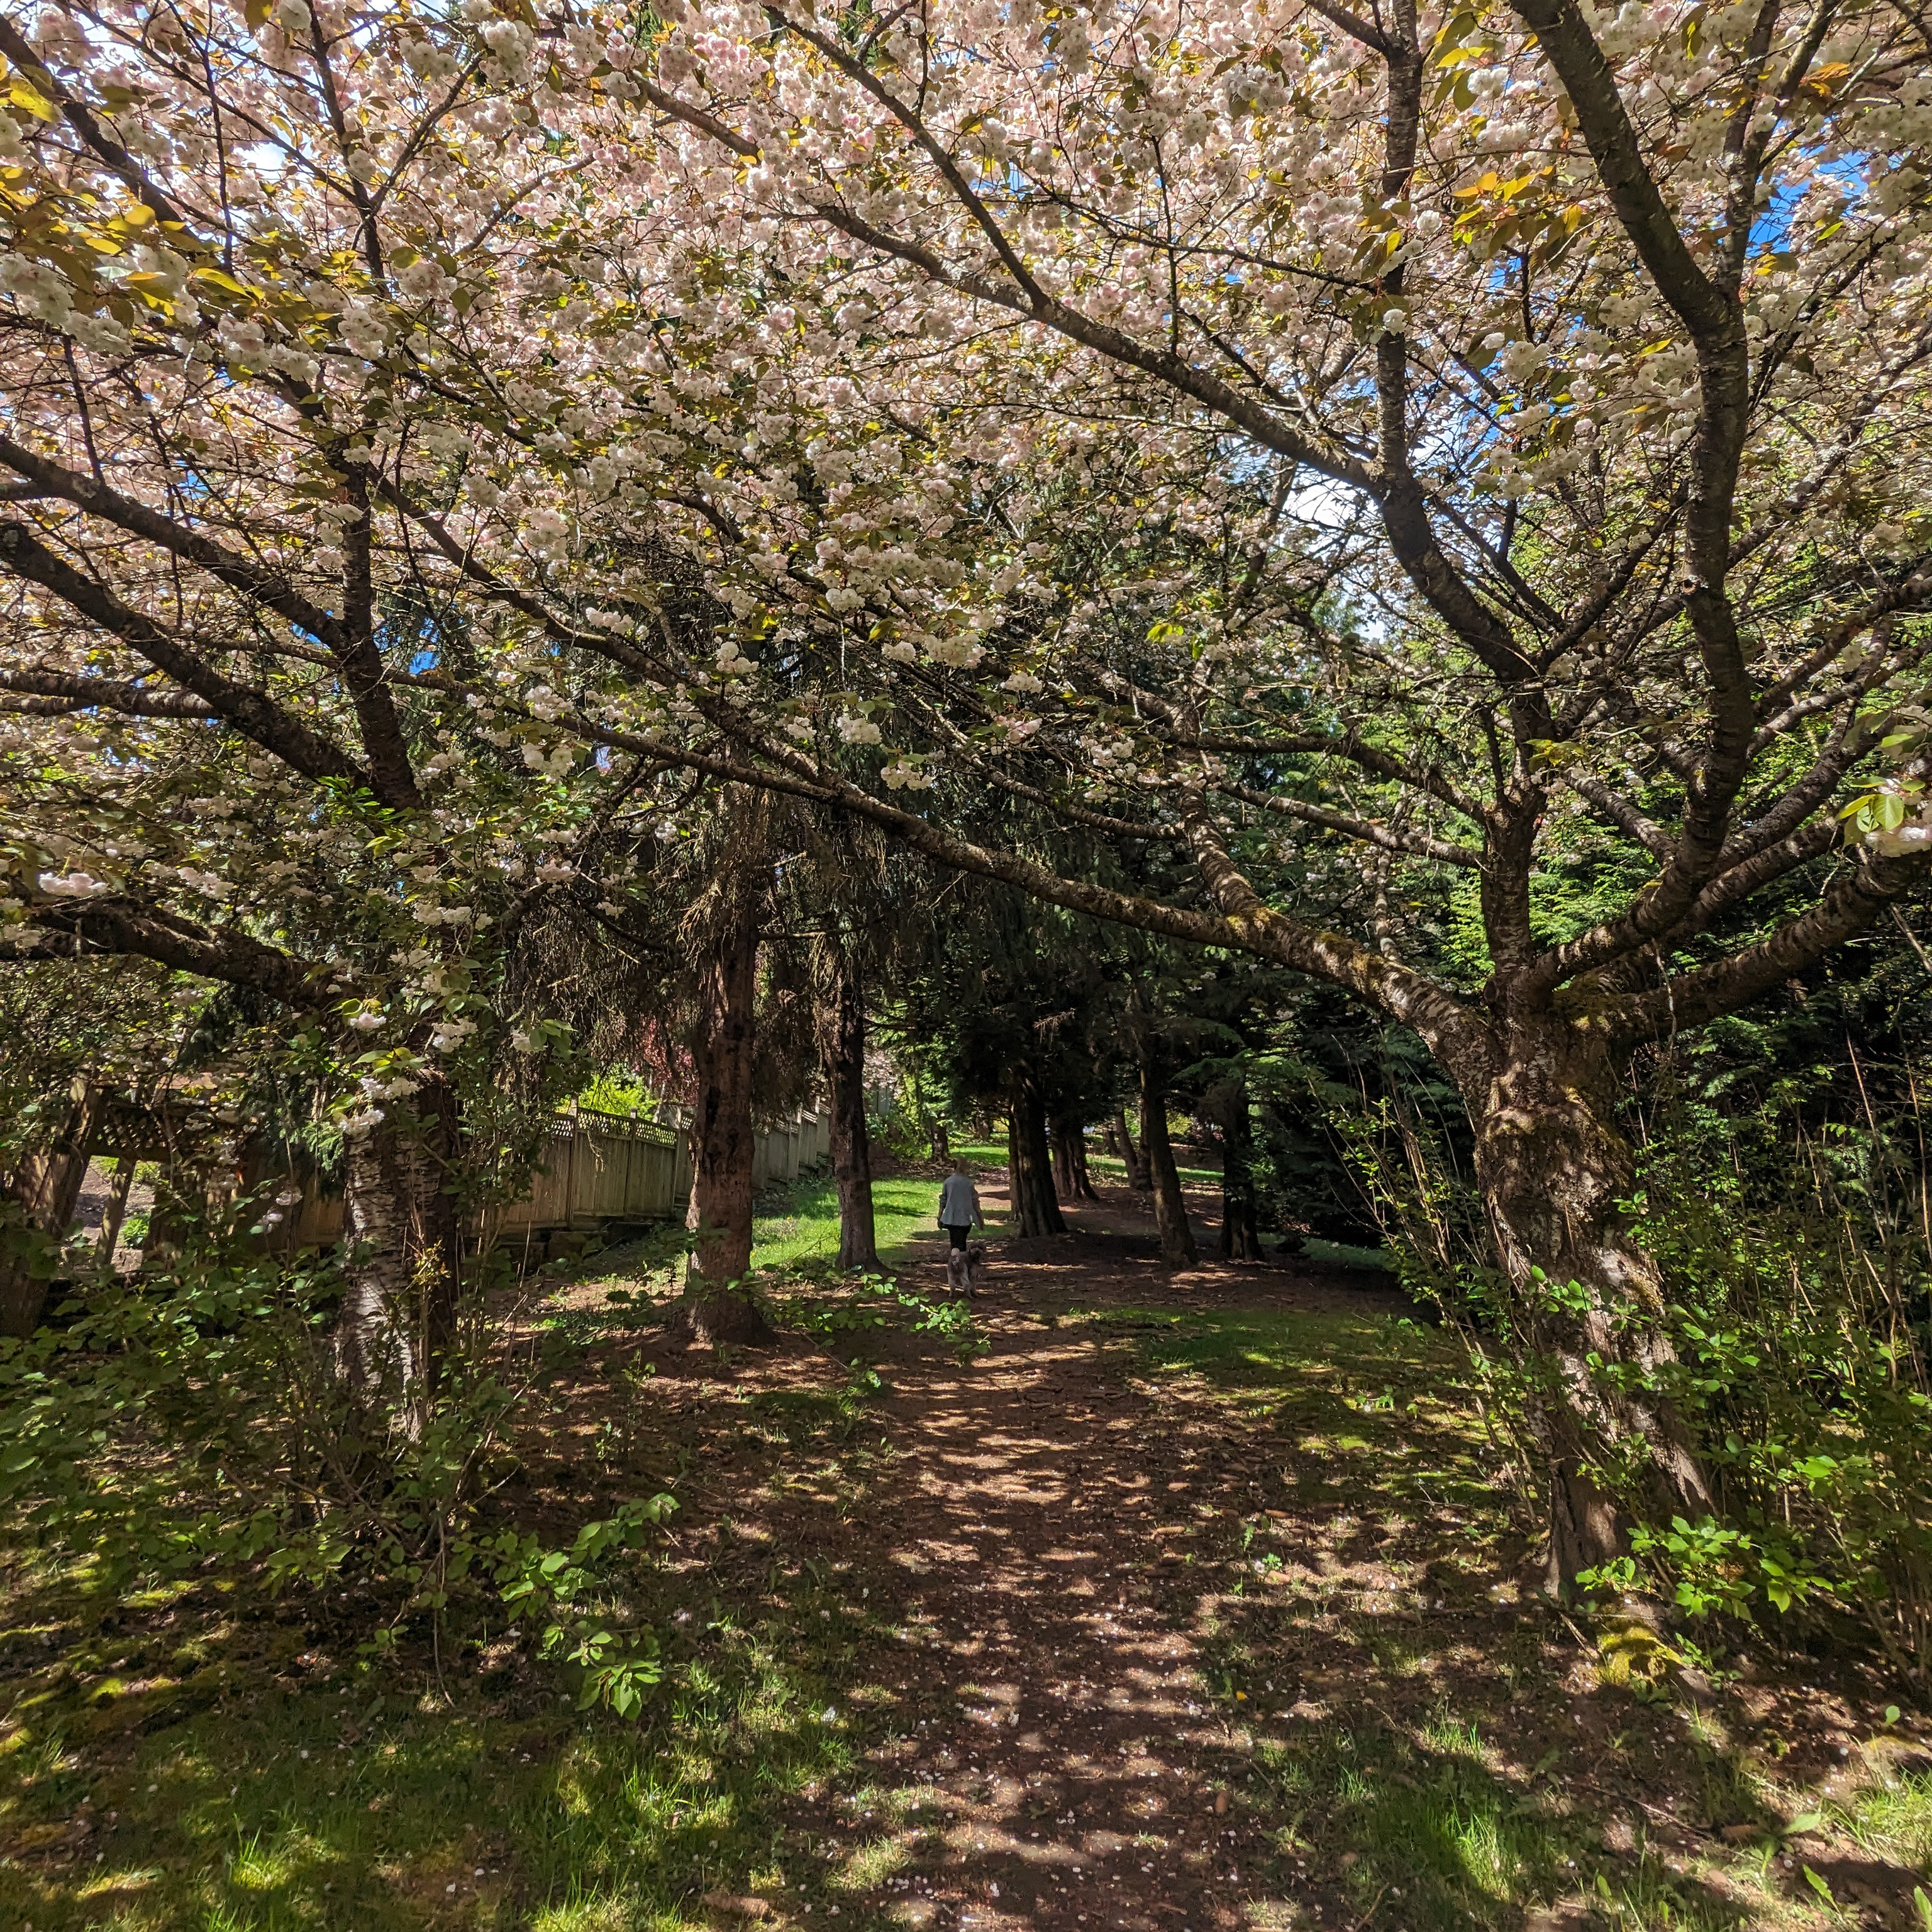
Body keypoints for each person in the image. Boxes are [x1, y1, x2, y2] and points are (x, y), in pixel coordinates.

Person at [937, 1157, 983, 1252]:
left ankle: (955, 1262)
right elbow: (975, 1202)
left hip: (951, 1218)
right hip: (964, 1219)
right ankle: (961, 1262)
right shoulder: (969, 1183)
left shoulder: (948, 1182)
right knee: (962, 1243)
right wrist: (980, 1219)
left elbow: (943, 1200)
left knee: (954, 1243)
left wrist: (940, 1216)